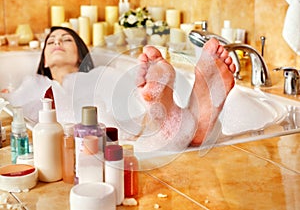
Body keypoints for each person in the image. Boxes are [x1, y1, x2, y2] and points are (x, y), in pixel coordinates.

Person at [1, 26, 235, 151]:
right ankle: (188, 123)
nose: (57, 43)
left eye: (66, 39)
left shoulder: (101, 77)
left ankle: (168, 113)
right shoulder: (30, 87)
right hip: (84, 138)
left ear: (81, 55)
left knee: (133, 111)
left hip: (117, 134)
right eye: (51, 42)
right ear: (43, 61)